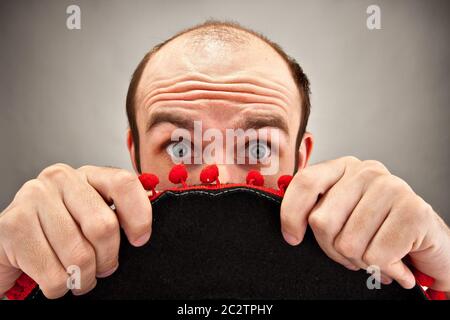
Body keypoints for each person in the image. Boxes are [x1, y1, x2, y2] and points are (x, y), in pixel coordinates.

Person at [0, 20, 448, 299]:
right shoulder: (63, 273)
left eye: (257, 148)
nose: (220, 179)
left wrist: (445, 267)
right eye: (179, 147)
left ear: (302, 158)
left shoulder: (374, 272)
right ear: (135, 156)